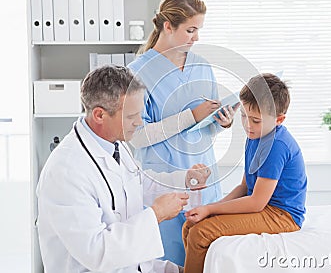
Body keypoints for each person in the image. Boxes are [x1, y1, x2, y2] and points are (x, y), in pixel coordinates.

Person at [36, 65, 211, 273]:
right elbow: (97, 252)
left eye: (140, 114)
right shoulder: (66, 171)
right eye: (130, 116)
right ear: (99, 115)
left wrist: (185, 179)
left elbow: (137, 184)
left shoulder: (114, 143)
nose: (139, 122)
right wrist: (156, 215)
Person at [127, 0, 236, 266]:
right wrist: (191, 115)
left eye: (198, 29)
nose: (196, 37)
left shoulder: (202, 66)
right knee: (168, 261)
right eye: (190, 29)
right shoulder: (135, 73)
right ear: (168, 26)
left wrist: (222, 122)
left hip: (204, 179)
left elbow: (204, 127)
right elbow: (137, 137)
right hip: (162, 183)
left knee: (206, 260)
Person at [182, 73, 308, 273]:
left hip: (282, 215)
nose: (248, 125)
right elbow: (244, 187)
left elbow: (257, 202)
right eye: (244, 116)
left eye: (255, 120)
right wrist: (209, 207)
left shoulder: (276, 145)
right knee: (189, 226)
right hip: (264, 207)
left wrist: (211, 211)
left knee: (201, 233)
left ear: (279, 119)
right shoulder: (255, 136)